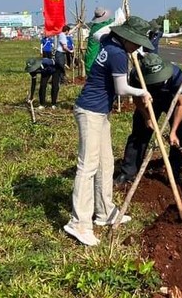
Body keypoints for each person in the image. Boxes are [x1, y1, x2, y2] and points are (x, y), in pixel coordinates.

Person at [64, 16, 154, 247]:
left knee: (106, 163)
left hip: (100, 112)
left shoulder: (108, 41)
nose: (137, 46)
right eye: (136, 41)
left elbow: (97, 33)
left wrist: (118, 20)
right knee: (88, 165)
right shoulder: (117, 54)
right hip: (90, 112)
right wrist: (142, 92)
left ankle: (105, 212)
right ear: (126, 37)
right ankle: (79, 222)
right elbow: (121, 89)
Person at [115, 53, 182, 185]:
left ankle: (175, 172)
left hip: (171, 99)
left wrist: (173, 131)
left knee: (179, 136)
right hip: (148, 100)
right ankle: (128, 173)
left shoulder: (176, 75)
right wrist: (147, 118)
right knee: (139, 134)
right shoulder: (136, 75)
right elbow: (137, 99)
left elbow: (181, 104)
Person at [85, 7, 124, 73]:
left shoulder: (95, 26)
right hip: (94, 59)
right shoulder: (101, 26)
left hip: (91, 58)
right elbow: (115, 23)